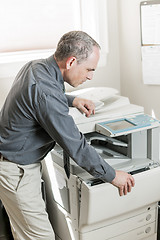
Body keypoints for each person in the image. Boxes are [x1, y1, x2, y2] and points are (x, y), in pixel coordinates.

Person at [0, 31, 135, 240]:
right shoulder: (46, 94)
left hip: (14, 163)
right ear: (71, 61)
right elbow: (76, 146)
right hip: (16, 171)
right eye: (89, 69)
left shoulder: (36, 67)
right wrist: (112, 175)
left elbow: (44, 94)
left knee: (24, 232)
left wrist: (72, 100)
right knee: (41, 236)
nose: (91, 76)